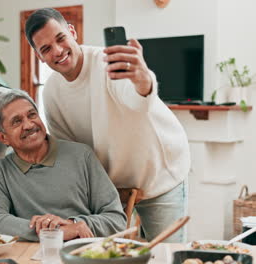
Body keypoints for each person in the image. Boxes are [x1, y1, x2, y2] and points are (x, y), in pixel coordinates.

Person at [24, 8, 190, 242]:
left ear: (72, 32)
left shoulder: (106, 63)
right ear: (39, 57)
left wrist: (142, 80)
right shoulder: (51, 92)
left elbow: (137, 100)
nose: (58, 51)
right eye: (46, 49)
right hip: (111, 189)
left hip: (159, 173)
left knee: (166, 255)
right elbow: (70, 153)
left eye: (60, 38)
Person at [0, 89, 126, 242]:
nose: (29, 125)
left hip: (83, 252)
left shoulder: (82, 155)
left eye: (32, 115)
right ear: (3, 137)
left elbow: (116, 219)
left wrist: (75, 224)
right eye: (17, 121)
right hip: (30, 256)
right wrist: (54, 233)